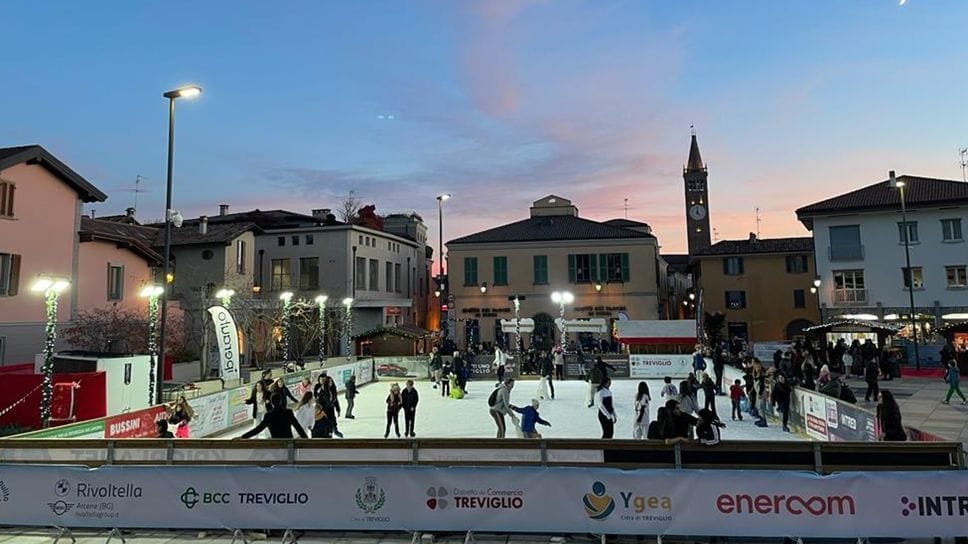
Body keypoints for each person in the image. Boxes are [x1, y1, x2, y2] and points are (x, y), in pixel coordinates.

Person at [241, 393, 308, 439]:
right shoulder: (288, 412)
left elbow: (258, 429)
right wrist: (307, 440)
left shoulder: (268, 415)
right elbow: (298, 428)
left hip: (277, 445)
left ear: (272, 402)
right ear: (281, 401)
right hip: (289, 443)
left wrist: (243, 437)